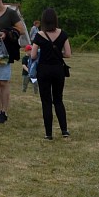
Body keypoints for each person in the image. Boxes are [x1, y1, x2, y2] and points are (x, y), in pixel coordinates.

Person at [30, 7, 71, 140]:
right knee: (58, 100)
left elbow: (33, 55)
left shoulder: (39, 35)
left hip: (44, 70)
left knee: (46, 101)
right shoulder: (63, 34)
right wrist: (58, 54)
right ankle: (64, 130)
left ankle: (49, 133)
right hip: (58, 69)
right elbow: (68, 54)